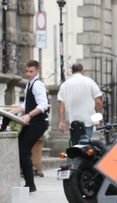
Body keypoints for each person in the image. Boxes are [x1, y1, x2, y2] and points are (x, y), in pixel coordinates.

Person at [9, 60, 49, 193]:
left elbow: (43, 105)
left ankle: (30, 184)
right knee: (21, 149)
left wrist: (29, 116)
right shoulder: (29, 85)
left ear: (37, 71)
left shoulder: (37, 85)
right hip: (33, 122)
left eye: (31, 71)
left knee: (23, 150)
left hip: (38, 123)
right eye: (26, 71)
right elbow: (26, 104)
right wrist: (13, 112)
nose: (28, 74)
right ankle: (29, 183)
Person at [57, 63, 103, 138]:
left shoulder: (64, 85)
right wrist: (100, 116)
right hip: (87, 121)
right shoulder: (90, 82)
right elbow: (98, 101)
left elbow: (61, 104)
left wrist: (61, 121)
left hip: (73, 122)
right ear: (82, 71)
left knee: (76, 147)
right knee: (86, 146)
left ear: (72, 71)